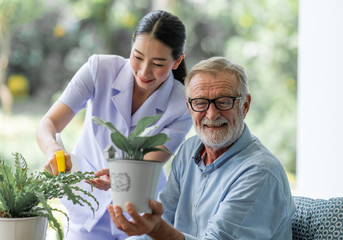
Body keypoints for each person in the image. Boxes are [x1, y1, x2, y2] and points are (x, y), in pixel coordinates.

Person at [36, 10, 192, 240]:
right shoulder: (99, 69)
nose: (144, 71)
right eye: (137, 57)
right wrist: (52, 148)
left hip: (139, 210)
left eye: (158, 63)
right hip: (86, 205)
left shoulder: (182, 104)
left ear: (177, 61)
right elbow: (48, 123)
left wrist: (120, 176)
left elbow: (149, 163)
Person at [106, 56, 296, 239]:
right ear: (189, 109)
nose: (212, 115)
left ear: (244, 106)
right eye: (200, 103)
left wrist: (156, 230)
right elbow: (165, 218)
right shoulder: (189, 150)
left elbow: (160, 228)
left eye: (223, 102)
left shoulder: (260, 172)